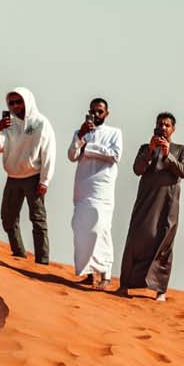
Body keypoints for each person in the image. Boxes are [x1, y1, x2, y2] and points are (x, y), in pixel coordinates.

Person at [118, 113, 184, 302]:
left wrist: (168, 155)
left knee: (164, 243)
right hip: (146, 202)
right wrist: (150, 150)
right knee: (135, 240)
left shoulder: (180, 150)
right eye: (160, 124)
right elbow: (137, 169)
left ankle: (160, 291)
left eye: (167, 125)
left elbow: (183, 171)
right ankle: (125, 285)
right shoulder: (145, 148)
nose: (163, 128)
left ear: (173, 129)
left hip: (168, 204)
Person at [0, 87, 56, 264]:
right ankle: (18, 252)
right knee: (8, 217)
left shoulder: (40, 122)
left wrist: (45, 180)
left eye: (19, 101)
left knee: (37, 219)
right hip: (13, 177)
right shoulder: (8, 125)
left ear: (27, 101)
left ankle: (42, 261)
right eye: (11, 103)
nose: (15, 106)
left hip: (34, 177)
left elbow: (49, 153)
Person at [67, 97, 122, 288]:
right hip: (83, 190)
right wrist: (81, 136)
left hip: (103, 191)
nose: (96, 115)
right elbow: (72, 156)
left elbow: (115, 155)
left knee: (101, 230)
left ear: (107, 113)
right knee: (82, 230)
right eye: (93, 111)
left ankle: (106, 276)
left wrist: (88, 149)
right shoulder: (80, 133)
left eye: (100, 111)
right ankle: (89, 274)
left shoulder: (115, 133)